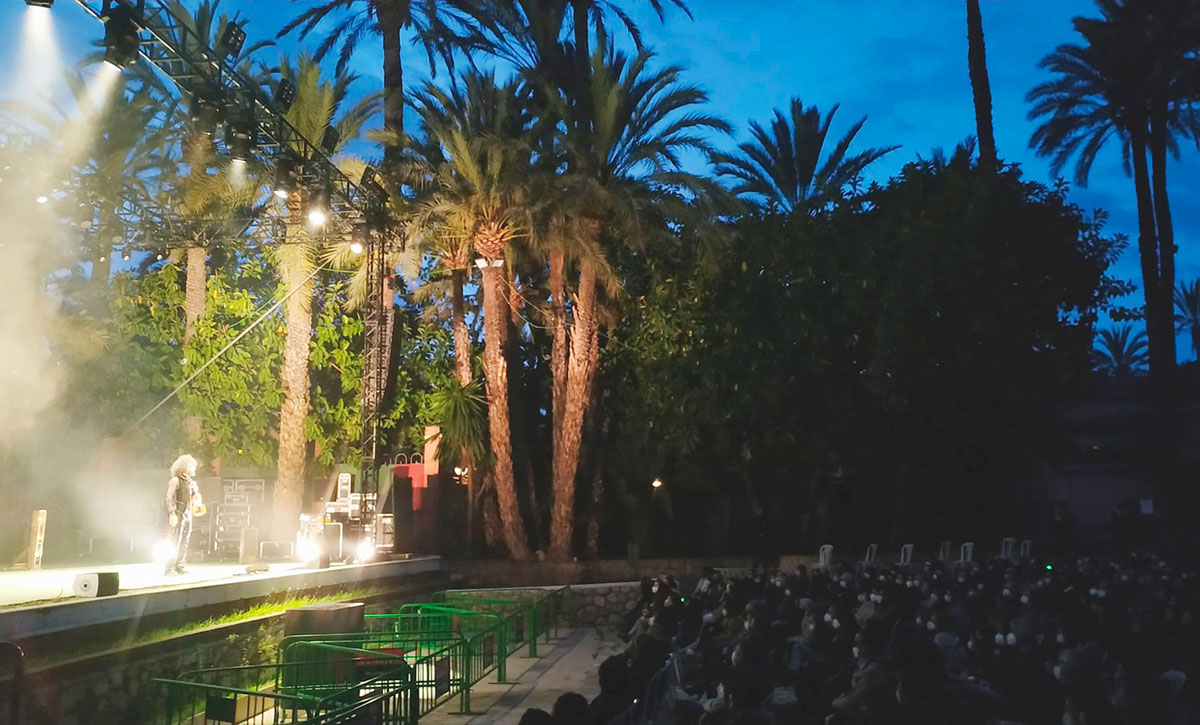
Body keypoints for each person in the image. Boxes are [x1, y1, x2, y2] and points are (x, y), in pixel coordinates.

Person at [165, 454, 202, 575]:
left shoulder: (190, 483)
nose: (194, 469)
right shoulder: (176, 480)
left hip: (187, 514)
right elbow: (168, 498)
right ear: (185, 466)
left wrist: (194, 491)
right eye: (192, 466)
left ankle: (179, 566)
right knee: (174, 540)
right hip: (178, 513)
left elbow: (193, 500)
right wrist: (171, 513)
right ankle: (169, 568)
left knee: (184, 541)